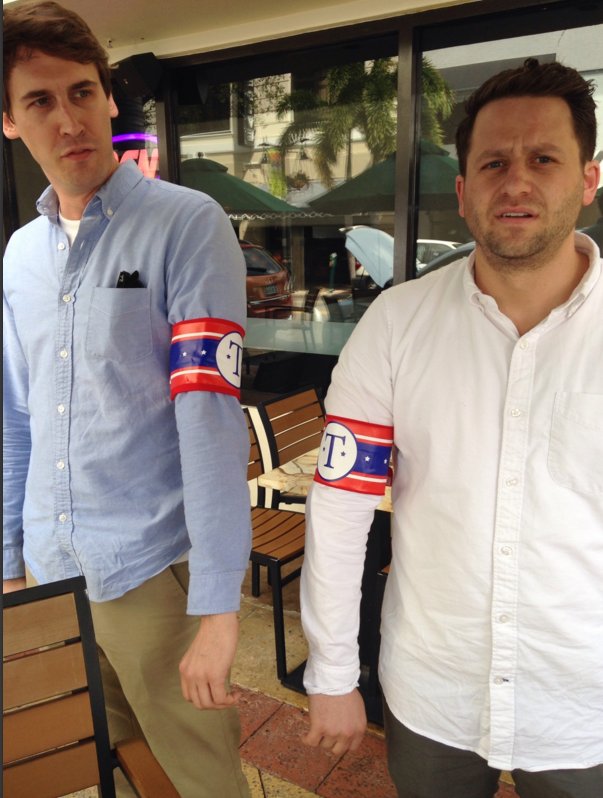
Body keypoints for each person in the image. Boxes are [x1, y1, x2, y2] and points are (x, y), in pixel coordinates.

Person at [300, 57, 603, 797]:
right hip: (433, 689)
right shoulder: (396, 323)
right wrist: (333, 671)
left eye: (544, 159)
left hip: (583, 703)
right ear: (464, 193)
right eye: (494, 163)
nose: (516, 181)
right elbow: (340, 505)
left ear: (588, 180)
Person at [3, 3, 251, 796]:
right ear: (9, 121)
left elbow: (208, 418)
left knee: (200, 779)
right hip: (51, 564)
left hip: (149, 571)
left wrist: (218, 608)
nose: (68, 119)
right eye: (39, 101)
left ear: (108, 98)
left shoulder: (186, 225)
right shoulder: (19, 256)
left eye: (82, 92)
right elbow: (16, 418)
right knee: (113, 769)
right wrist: (9, 563)